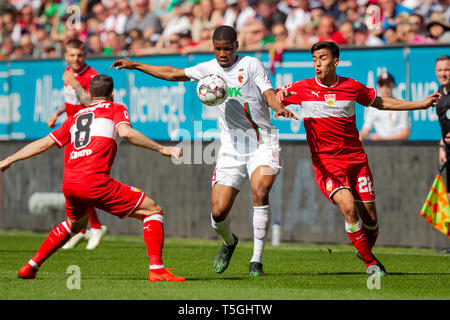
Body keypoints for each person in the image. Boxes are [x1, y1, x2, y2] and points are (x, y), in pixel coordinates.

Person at [111, 25, 297, 277]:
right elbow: (172, 73)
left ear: (236, 46)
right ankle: (230, 242)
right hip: (231, 148)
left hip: (263, 142)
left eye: (227, 49)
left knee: (260, 191)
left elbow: (269, 93)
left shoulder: (251, 65)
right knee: (218, 213)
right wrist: (137, 65)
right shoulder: (207, 69)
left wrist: (278, 107)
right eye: (218, 49)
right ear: (213, 48)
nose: (223, 54)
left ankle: (256, 261)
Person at [276, 41, 440, 277]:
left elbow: (381, 102)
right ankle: (371, 264)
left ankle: (363, 249)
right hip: (327, 163)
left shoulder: (352, 87)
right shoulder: (302, 88)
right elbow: (273, 97)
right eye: (314, 59)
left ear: (335, 61)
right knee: (349, 208)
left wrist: (421, 104)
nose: (317, 63)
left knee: (371, 218)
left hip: (356, 160)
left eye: (322, 58)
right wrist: (278, 101)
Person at [0, 75, 186, 282]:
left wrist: (9, 159)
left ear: (89, 94)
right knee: (152, 210)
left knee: (75, 224)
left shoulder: (75, 117)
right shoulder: (116, 109)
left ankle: (31, 266)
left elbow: (44, 143)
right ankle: (157, 270)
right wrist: (163, 148)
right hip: (94, 181)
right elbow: (127, 133)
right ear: (112, 94)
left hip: (70, 184)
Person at [47, 39, 107, 251]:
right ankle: (80, 229)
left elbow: (92, 103)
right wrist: (57, 112)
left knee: (80, 183)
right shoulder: (68, 73)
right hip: (71, 131)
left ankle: (95, 227)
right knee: (73, 184)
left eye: (79, 55)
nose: (76, 59)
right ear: (66, 56)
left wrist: (75, 83)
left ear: (85, 56)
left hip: (85, 133)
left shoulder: (91, 76)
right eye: (72, 55)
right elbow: (71, 101)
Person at [360, 72, 411, 141]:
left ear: (393, 85)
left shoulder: (401, 105)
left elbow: (405, 134)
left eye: (388, 85)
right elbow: (365, 130)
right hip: (380, 148)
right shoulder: (373, 107)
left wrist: (382, 139)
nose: (384, 88)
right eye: (381, 84)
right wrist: (358, 138)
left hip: (399, 147)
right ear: (378, 86)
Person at [435, 56, 450, 198]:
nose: (443, 74)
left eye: (447, 70)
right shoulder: (439, 96)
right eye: (440, 70)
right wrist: (442, 146)